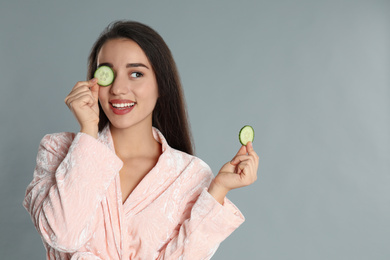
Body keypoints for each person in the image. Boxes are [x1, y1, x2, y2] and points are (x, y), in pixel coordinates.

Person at [23, 20, 259, 260]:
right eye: (107, 74)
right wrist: (88, 131)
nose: (118, 88)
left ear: (161, 85)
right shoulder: (57, 150)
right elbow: (63, 235)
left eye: (136, 73)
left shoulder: (191, 175)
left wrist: (218, 190)